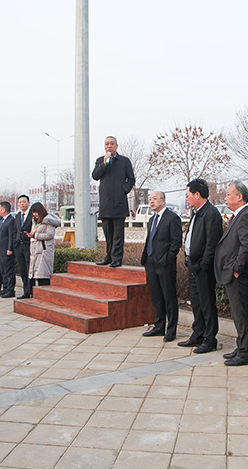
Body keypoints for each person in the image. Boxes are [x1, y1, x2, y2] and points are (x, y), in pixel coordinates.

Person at [213, 181, 248, 366]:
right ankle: (241, 347)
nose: (225, 197)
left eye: (228, 194)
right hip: (232, 274)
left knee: (242, 314)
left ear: (239, 197)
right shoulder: (238, 216)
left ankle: (246, 353)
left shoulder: (246, 216)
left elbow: (247, 246)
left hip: (239, 276)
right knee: (237, 313)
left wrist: (237, 269)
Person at [179, 178, 223, 354]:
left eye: (188, 195)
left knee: (207, 304)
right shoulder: (196, 213)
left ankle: (210, 339)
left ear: (197, 194)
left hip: (203, 268)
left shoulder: (211, 214)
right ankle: (198, 334)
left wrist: (204, 264)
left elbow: (212, 243)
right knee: (197, 303)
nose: (186, 198)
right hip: (193, 265)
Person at [141, 191, 183, 342]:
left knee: (169, 297)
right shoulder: (152, 219)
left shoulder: (172, 218)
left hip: (165, 264)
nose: (151, 201)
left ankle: (171, 330)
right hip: (150, 262)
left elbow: (176, 242)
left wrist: (167, 259)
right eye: (150, 199)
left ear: (163, 201)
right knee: (156, 297)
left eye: (155, 199)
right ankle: (159, 326)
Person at [92, 135, 135, 267]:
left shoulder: (124, 161)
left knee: (118, 234)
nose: (109, 146)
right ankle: (108, 257)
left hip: (119, 203)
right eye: (107, 144)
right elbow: (95, 176)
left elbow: (131, 179)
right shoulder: (100, 160)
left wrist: (124, 190)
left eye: (112, 143)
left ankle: (117, 258)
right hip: (105, 203)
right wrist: (104, 164)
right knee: (108, 233)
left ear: (116, 146)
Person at [28, 202, 61, 286]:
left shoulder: (49, 221)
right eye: (33, 213)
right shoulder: (35, 221)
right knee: (35, 276)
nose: (34, 215)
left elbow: (50, 235)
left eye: (35, 212)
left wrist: (35, 235)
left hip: (44, 250)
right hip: (35, 249)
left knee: (43, 276)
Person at [0, 201, 16, 298]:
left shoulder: (11, 220)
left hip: (6, 250)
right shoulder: (1, 220)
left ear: (4, 210)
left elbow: (11, 236)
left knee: (8, 271)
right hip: (0, 249)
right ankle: (5, 288)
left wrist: (10, 248)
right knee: (3, 271)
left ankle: (10, 290)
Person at [14, 195, 34, 299]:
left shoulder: (32, 215)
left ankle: (31, 291)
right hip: (19, 246)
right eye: (20, 202)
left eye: (24, 202)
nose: (22, 204)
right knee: (22, 270)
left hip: (28, 246)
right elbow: (15, 230)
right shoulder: (18, 216)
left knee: (29, 269)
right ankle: (25, 291)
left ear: (28, 203)